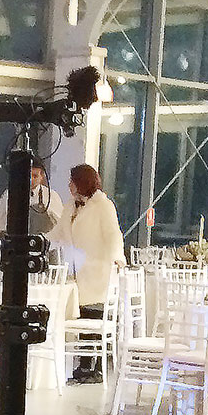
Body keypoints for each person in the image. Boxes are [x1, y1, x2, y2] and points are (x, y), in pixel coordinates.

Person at [61, 162, 127, 382]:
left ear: (81, 182)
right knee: (82, 315)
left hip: (98, 272)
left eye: (72, 181)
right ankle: (83, 366)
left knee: (93, 317)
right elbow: (59, 232)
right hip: (79, 271)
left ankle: (95, 368)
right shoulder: (71, 206)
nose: (69, 185)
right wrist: (39, 240)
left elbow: (113, 234)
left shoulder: (103, 205)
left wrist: (117, 258)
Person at [0, 161, 63, 241]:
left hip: (41, 243)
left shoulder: (51, 196)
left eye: (35, 176)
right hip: (15, 242)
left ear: (42, 177)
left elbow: (60, 225)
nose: (31, 180)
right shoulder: (11, 193)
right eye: (28, 176)